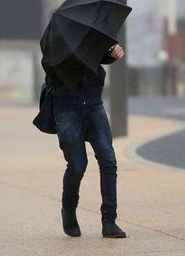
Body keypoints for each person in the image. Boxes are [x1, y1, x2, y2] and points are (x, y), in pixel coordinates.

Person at [45, 44, 126, 238]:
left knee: (108, 160)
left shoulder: (93, 32)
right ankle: (69, 211)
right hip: (67, 107)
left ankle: (109, 221)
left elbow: (99, 55)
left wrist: (111, 54)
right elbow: (51, 71)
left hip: (94, 104)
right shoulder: (55, 40)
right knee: (77, 166)